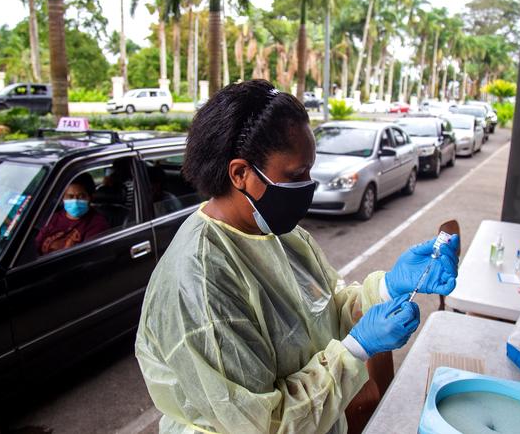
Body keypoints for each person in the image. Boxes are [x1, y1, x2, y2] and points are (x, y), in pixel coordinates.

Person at [134, 80, 459, 434]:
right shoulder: (199, 282)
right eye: (295, 174)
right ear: (241, 174)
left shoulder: (279, 233)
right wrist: (356, 350)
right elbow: (262, 424)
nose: (309, 184)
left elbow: (324, 308)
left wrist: (387, 288)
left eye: (309, 169)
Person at [35, 173, 109, 255]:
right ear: (63, 198)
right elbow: (36, 245)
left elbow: (85, 257)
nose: (75, 201)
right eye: (70, 196)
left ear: (90, 197)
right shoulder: (53, 218)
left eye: (81, 196)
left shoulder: (97, 223)